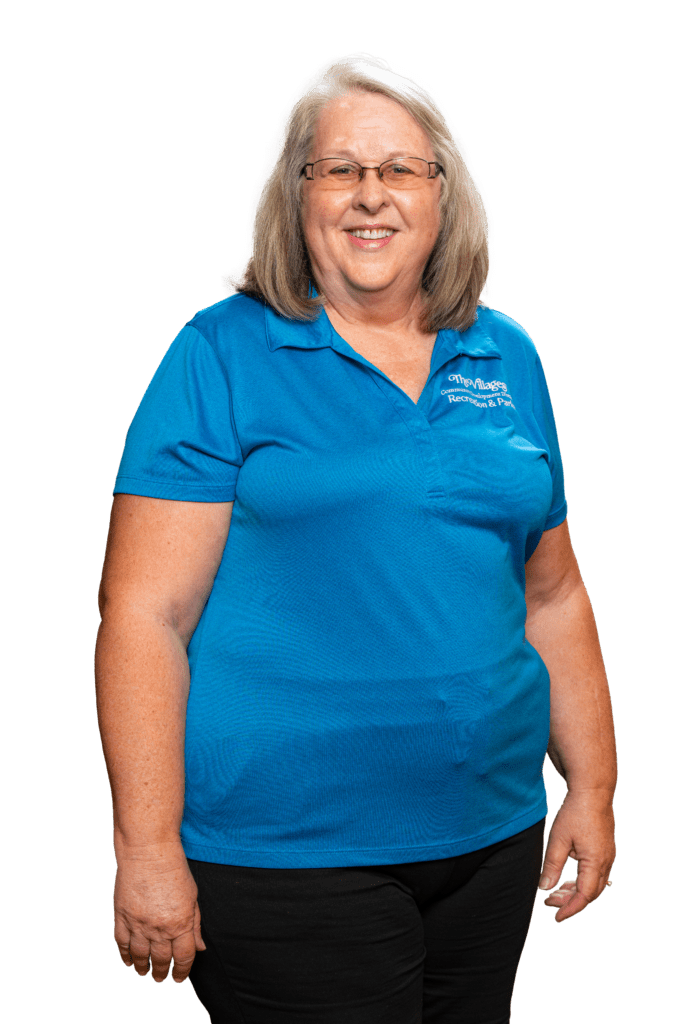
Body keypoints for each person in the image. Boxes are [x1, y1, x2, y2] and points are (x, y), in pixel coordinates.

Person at [95, 53, 617, 1023]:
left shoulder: (505, 352)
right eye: (338, 169)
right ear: (294, 195)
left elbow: (551, 593)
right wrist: (146, 846)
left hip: (488, 838)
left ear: (442, 194)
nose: (370, 194)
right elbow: (143, 615)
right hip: (287, 854)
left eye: (400, 169)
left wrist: (591, 785)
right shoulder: (220, 353)